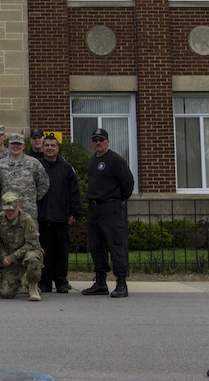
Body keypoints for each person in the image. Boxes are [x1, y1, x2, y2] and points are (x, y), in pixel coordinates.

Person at [81, 127, 134, 299]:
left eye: (101, 140)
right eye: (95, 140)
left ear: (107, 141)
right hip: (95, 208)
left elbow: (127, 182)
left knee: (115, 245)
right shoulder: (92, 161)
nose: (98, 143)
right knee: (96, 246)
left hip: (110, 208)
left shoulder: (115, 160)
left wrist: (119, 199)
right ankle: (100, 282)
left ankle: (121, 283)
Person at [36, 133, 82, 294]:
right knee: (44, 252)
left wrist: (74, 214)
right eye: (46, 145)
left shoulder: (66, 168)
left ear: (58, 148)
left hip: (61, 218)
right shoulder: (37, 166)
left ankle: (61, 281)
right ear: (42, 148)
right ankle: (45, 282)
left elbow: (74, 192)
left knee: (61, 252)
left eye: (52, 145)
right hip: (42, 217)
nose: (49, 148)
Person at [0, 191, 44, 301]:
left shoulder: (27, 220)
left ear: (19, 206)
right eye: (7, 209)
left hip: (27, 253)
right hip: (11, 258)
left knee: (32, 258)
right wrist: (4, 256)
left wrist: (12, 257)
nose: (9, 212)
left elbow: (31, 243)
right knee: (6, 294)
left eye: (12, 209)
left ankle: (33, 286)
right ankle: (19, 280)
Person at [0, 133, 50, 222]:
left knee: (29, 235)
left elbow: (44, 183)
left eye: (19, 144)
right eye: (13, 144)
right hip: (6, 210)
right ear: (9, 145)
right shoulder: (0, 164)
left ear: (23, 146)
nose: (16, 147)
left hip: (28, 210)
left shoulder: (34, 163)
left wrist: (31, 197)